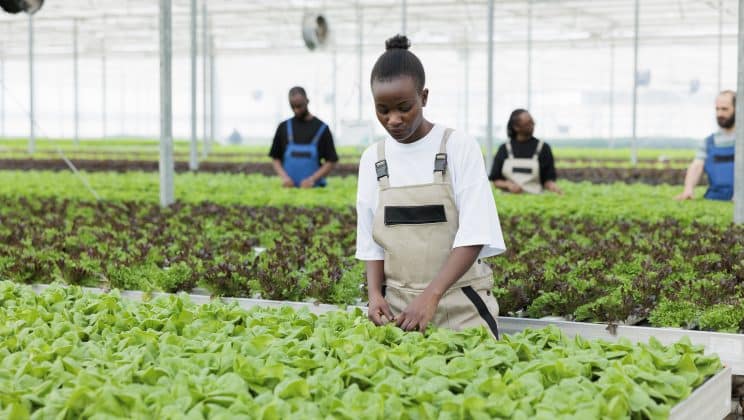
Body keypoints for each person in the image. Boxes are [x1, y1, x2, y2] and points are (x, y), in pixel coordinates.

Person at [355, 35, 506, 338]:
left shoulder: (457, 146)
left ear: (423, 97)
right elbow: (370, 240)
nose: (393, 119)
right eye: (382, 109)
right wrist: (374, 295)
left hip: (460, 302)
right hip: (396, 309)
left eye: (404, 107)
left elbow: (475, 233)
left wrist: (431, 295)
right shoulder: (373, 158)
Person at [269, 86, 338, 188]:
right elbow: (275, 158)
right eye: (293, 107)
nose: (296, 110)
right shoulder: (283, 127)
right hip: (288, 189)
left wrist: (312, 179)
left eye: (299, 106)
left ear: (307, 101)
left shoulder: (322, 128)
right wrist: (285, 178)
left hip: (314, 189)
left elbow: (331, 161)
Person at [675, 90, 736, 201]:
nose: (719, 114)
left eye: (724, 109)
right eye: (717, 109)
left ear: (738, 109)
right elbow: (697, 165)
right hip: (715, 197)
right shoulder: (709, 142)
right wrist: (688, 190)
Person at [489, 109, 562, 194]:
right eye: (528, 123)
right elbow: (495, 180)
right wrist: (508, 185)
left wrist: (553, 187)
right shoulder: (504, 149)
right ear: (516, 127)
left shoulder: (543, 148)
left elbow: (548, 179)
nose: (533, 125)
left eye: (532, 122)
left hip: (535, 199)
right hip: (508, 197)